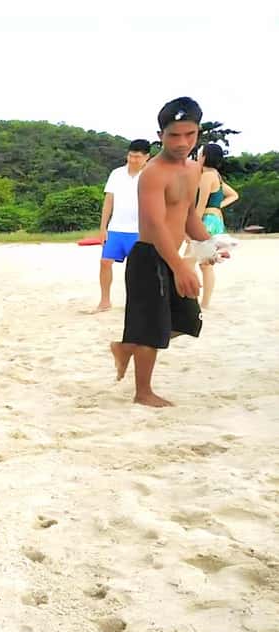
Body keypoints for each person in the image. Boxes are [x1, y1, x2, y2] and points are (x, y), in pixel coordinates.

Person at [109, 96, 229, 407]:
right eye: (174, 135)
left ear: (198, 133)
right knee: (151, 328)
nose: (182, 142)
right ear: (160, 135)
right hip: (149, 257)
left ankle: (126, 347)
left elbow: (187, 214)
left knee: (187, 321)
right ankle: (143, 392)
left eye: (190, 134)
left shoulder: (193, 169)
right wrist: (179, 267)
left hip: (172, 256)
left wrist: (209, 245)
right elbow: (156, 223)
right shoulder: (153, 173)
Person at [94, 139, 151, 312]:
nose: (133, 160)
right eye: (130, 156)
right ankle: (105, 300)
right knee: (105, 262)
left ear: (147, 157)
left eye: (137, 157)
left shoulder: (150, 175)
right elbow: (108, 201)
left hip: (139, 230)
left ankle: (138, 303)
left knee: (138, 269)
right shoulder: (116, 174)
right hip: (116, 228)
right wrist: (103, 228)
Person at [183, 143, 239, 309]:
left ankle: (189, 300)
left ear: (205, 156)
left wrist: (191, 229)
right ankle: (205, 303)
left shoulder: (207, 176)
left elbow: (200, 206)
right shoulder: (216, 175)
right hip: (216, 220)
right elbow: (233, 195)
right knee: (205, 263)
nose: (197, 156)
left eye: (200, 153)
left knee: (188, 261)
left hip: (206, 220)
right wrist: (217, 207)